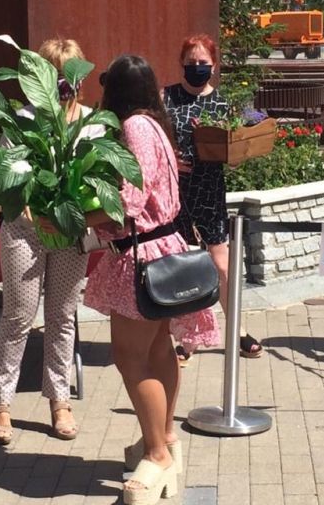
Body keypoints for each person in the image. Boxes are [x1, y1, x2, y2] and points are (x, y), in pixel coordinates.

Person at [84, 54, 219, 504]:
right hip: (162, 249)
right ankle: (164, 440)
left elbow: (130, 200)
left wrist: (75, 216)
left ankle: (157, 453)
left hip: (142, 254)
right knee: (159, 349)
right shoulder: (155, 124)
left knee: (130, 357)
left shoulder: (134, 127)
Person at [0, 38, 104, 445]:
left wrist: (68, 217)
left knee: (62, 318)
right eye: (55, 75)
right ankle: (1, 404)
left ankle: (60, 400)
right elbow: (10, 179)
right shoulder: (23, 120)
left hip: (68, 232)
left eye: (70, 75)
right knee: (18, 317)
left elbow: (97, 180)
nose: (64, 84)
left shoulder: (92, 123)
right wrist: (38, 218)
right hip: (25, 230)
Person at [162, 34, 263, 365]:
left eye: (203, 63)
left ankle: (237, 329)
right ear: (181, 64)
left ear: (214, 65)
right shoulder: (165, 98)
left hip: (209, 192)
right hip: (175, 194)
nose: (197, 67)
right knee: (180, 267)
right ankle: (186, 338)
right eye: (191, 62)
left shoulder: (223, 104)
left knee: (222, 265)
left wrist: (235, 153)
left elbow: (236, 148)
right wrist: (171, 158)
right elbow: (153, 142)